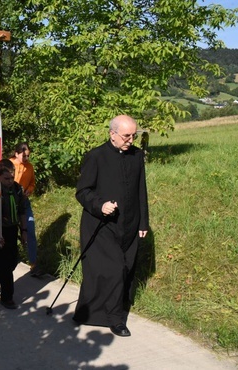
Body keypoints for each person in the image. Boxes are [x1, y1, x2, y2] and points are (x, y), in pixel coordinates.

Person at [72, 114, 149, 337]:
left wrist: (143, 222)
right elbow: (82, 192)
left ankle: (86, 314)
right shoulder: (95, 156)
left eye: (134, 135)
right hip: (101, 226)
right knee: (113, 270)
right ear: (112, 134)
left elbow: (141, 191)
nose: (131, 140)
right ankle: (115, 319)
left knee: (125, 271)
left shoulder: (136, 156)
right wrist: (100, 205)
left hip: (131, 225)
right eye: (126, 136)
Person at [0, 159, 27, 310]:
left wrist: (24, 231)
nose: (10, 181)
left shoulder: (17, 189)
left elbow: (22, 210)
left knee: (12, 263)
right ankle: (7, 297)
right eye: (6, 179)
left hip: (12, 230)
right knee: (4, 266)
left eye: (12, 178)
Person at [10, 142, 39, 276]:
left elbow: (32, 182)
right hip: (10, 205)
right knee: (11, 235)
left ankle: (34, 265)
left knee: (30, 231)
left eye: (28, 156)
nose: (26, 159)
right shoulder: (9, 165)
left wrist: (29, 190)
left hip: (24, 203)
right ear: (16, 154)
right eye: (24, 156)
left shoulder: (30, 167)